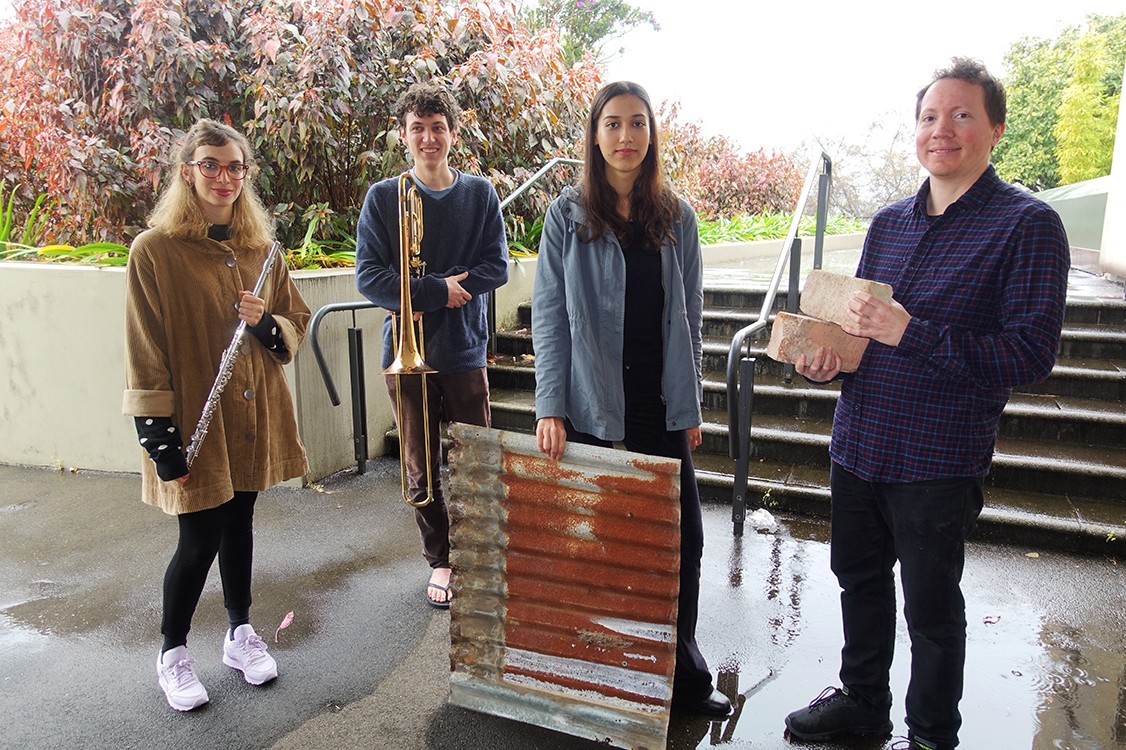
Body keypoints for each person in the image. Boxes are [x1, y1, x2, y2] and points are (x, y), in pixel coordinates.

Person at [783, 58, 1070, 750]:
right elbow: (863, 334)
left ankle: (933, 735)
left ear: (995, 128)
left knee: (933, 610)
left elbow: (1029, 354)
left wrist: (915, 333)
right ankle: (861, 702)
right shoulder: (889, 223)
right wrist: (828, 361)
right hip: (860, 442)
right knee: (857, 580)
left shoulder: (1027, 225)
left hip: (939, 457)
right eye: (930, 117)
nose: (942, 130)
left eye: (962, 115)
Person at [531, 80, 733, 719]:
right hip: (593, 405)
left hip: (659, 405)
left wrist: (690, 404)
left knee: (683, 543)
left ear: (652, 134)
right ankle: (606, 676)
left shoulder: (677, 216)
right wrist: (549, 404)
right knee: (602, 545)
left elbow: (691, 316)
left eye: (637, 123)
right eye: (612, 123)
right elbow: (549, 314)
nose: (625, 136)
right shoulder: (568, 215)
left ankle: (681, 678)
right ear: (595, 135)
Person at [123, 119, 310, 711]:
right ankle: (172, 653)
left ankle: (239, 633)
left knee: (239, 526)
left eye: (235, 167)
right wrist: (157, 436)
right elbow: (144, 348)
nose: (224, 177)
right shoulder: (154, 251)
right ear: (188, 171)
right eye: (211, 164)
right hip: (193, 424)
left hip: (253, 418)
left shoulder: (261, 249)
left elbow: (294, 329)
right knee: (198, 537)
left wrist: (263, 322)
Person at [355, 81, 509, 609]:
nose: (428, 138)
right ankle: (441, 559)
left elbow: (497, 266)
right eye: (417, 128)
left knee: (474, 460)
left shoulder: (480, 194)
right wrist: (436, 290)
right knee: (420, 468)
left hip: (463, 350)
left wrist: (439, 291)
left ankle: (477, 551)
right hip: (406, 354)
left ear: (453, 134)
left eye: (437, 128)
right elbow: (369, 278)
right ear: (403, 136)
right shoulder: (383, 198)